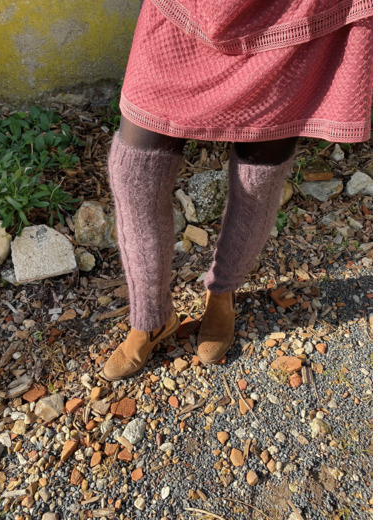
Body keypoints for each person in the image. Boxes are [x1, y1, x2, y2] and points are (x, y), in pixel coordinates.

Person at [100, 0, 373, 381]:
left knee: (257, 179)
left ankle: (223, 292)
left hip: (289, 16)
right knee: (134, 176)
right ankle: (151, 317)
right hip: (186, 12)